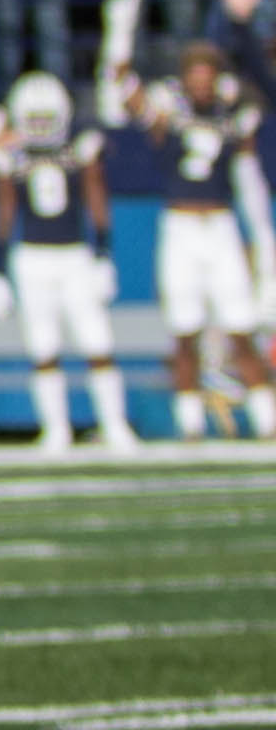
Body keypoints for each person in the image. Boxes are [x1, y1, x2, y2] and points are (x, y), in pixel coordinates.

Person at [137, 37, 273, 438]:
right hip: (180, 224)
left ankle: (267, 420)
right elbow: (130, 100)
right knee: (185, 331)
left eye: (207, 76)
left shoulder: (234, 112)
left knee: (241, 326)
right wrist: (121, 39)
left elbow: (250, 158)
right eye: (194, 76)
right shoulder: (170, 111)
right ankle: (191, 422)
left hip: (220, 223)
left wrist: (261, 235)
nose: (200, 84)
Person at [0, 69, 135, 452]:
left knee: (97, 341)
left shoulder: (80, 147)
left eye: (47, 118)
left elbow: (96, 196)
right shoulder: (10, 153)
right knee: (43, 347)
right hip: (31, 256)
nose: (41, 126)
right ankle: (55, 429)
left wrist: (103, 252)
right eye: (34, 118)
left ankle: (115, 425)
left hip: (74, 254)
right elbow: (6, 211)